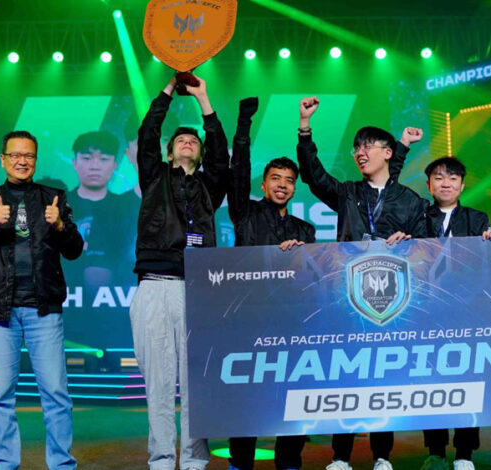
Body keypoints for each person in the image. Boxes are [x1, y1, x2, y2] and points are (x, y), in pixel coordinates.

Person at [296, 96, 427, 470]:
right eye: (356, 148)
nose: (359, 153)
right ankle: (340, 456)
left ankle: (382, 456)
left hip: (394, 302)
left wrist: (410, 243)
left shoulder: (411, 201)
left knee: (384, 379)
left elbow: (427, 248)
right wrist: (304, 127)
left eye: (367, 146)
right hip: (348, 297)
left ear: (387, 153)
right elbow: (314, 175)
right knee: (347, 377)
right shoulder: (349, 193)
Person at [0, 130, 83, 470]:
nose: (22, 161)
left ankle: (62, 464)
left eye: (28, 155)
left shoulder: (54, 197)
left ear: (35, 160)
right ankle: (5, 464)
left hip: (43, 308)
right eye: (15, 155)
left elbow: (75, 250)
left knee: (56, 393)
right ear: (3, 160)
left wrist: (60, 226)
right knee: (0, 393)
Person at [129, 75, 229, 470]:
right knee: (157, 381)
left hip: (197, 288)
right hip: (154, 285)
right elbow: (147, 133)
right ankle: (160, 459)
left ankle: (193, 460)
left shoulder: (209, 188)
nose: (188, 142)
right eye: (180, 140)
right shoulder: (153, 177)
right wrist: (170, 88)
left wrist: (203, 97)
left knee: (195, 382)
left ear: (199, 154)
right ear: (169, 152)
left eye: (194, 141)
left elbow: (221, 155)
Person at [226, 97, 316, 470]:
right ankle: (240, 462)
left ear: (295, 188)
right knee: (247, 396)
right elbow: (237, 172)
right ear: (263, 184)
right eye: (275, 179)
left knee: (291, 396)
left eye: (289, 180)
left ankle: (289, 462)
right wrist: (243, 125)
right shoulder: (245, 212)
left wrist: (300, 257)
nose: (282, 185)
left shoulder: (306, 230)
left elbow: (314, 279)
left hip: (291, 324)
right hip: (248, 320)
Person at [418, 156, 491, 470]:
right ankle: (436, 451)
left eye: (452, 178)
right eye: (438, 178)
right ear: (429, 185)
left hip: (466, 311)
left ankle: (465, 453)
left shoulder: (477, 219)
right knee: (430, 381)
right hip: (426, 312)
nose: (445, 184)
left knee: (467, 381)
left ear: (462, 185)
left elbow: (484, 265)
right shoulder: (417, 217)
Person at [66, 130, 138, 286]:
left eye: (104, 159)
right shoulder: (59, 205)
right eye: (86, 158)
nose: (95, 166)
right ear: (75, 163)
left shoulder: (125, 207)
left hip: (117, 293)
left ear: (114, 165)